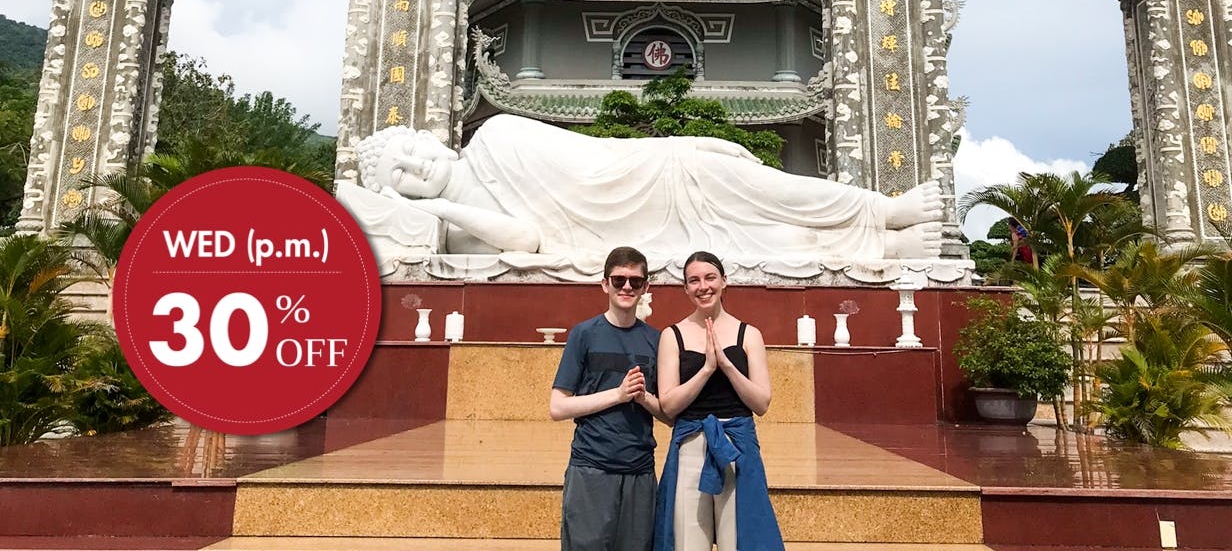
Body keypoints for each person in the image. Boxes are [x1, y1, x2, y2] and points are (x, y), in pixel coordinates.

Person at [341, 115, 945, 270]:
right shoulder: (459, 227)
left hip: (648, 174)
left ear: (431, 139)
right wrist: (443, 208)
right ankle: (885, 251)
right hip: (619, 239)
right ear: (402, 198)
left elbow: (594, 162)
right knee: (754, 244)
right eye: (401, 176)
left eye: (412, 150)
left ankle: (882, 210)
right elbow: (525, 239)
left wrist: (685, 144)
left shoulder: (495, 134)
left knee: (760, 187)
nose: (416, 167)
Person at [653, 252, 783, 551]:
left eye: (710, 277)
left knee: (738, 541)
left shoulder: (748, 334)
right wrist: (707, 369)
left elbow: (761, 403)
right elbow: (669, 405)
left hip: (736, 444)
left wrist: (726, 364)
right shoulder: (673, 336)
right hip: (690, 444)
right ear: (685, 289)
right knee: (689, 541)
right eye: (693, 281)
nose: (703, 286)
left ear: (724, 281)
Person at [551, 246, 666, 551]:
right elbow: (558, 406)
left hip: (639, 470)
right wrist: (617, 395)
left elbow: (668, 414)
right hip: (591, 468)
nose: (627, 287)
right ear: (605, 284)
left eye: (635, 281)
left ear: (646, 288)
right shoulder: (584, 334)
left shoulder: (656, 340)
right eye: (619, 280)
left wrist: (642, 398)